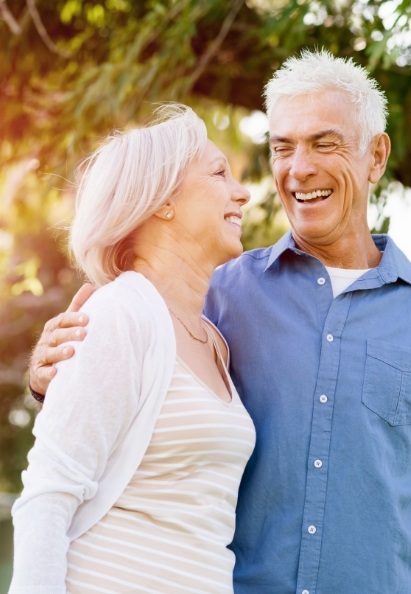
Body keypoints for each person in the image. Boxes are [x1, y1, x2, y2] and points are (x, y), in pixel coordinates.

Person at [28, 50, 411, 594]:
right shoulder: (214, 293)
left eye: (325, 143)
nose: (299, 168)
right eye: (282, 147)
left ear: (376, 156)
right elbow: (117, 380)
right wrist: (52, 374)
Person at [10, 103, 255, 593]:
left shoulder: (214, 341)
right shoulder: (120, 315)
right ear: (163, 200)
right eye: (219, 173)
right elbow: (48, 494)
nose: (242, 192)